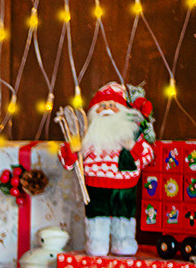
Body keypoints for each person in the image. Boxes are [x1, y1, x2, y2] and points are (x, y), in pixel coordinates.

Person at [59, 81, 154, 257]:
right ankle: (96, 243)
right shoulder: (88, 137)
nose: (107, 109)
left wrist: (133, 147)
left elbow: (147, 156)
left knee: (124, 216)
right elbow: (69, 161)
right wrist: (71, 152)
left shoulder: (131, 133)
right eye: (101, 106)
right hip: (95, 186)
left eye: (112, 105)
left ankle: (124, 242)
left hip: (125, 186)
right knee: (97, 217)